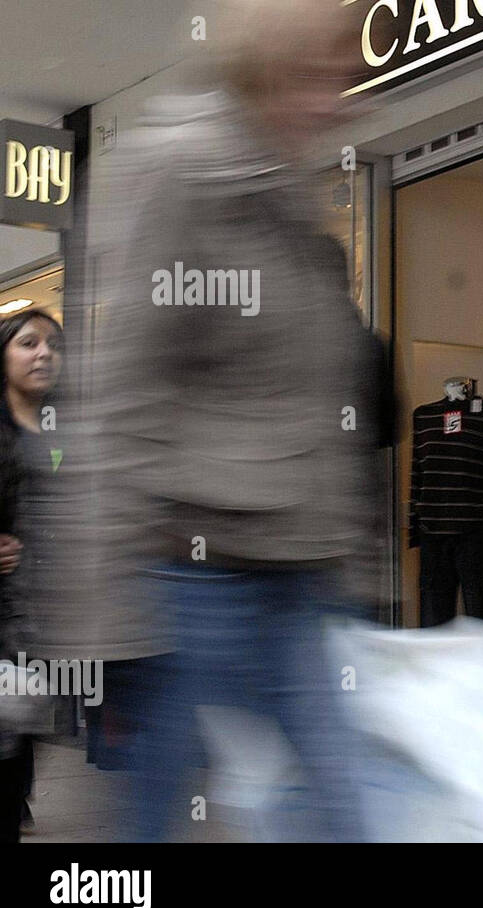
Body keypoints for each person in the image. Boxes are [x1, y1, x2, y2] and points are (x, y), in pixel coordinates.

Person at [87, 0, 378, 841]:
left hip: (295, 570)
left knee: (338, 805)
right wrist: (111, 611)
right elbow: (127, 387)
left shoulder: (291, 196)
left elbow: (315, 408)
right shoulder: (187, 169)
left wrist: (346, 562)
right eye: (325, 70)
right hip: (191, 573)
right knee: (150, 817)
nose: (343, 96)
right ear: (273, 65)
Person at [0, 309, 56, 841]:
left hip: (40, 619)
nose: (43, 353)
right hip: (5, 619)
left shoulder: (62, 427)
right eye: (28, 343)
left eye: (50, 345)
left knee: (18, 741)